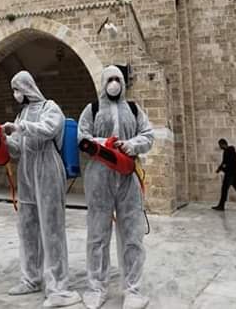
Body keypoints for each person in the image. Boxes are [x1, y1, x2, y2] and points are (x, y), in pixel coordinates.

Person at [77, 65, 154, 309]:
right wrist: (106, 144)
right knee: (98, 233)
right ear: (103, 82)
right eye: (109, 79)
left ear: (123, 82)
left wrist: (131, 145)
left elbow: (148, 134)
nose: (113, 83)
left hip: (128, 175)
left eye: (117, 79)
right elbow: (82, 137)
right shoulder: (92, 109)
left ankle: (133, 288)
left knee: (132, 233)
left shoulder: (133, 109)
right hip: (99, 177)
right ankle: (96, 287)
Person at [3, 71, 81, 308]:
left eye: (18, 88)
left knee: (51, 226)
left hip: (47, 165)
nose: (16, 94)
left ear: (27, 87)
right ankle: (31, 278)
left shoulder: (51, 107)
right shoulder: (21, 114)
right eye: (13, 89)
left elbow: (48, 129)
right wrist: (4, 139)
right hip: (26, 168)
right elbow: (16, 149)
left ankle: (57, 284)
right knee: (26, 226)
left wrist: (19, 128)